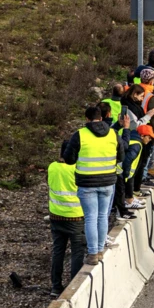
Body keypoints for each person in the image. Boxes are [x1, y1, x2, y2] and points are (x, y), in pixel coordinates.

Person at [61, 107, 118, 264]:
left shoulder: (80, 135)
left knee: (91, 218)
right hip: (108, 182)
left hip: (87, 183)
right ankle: (100, 250)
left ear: (86, 119)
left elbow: (69, 159)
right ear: (101, 118)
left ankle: (92, 254)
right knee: (102, 216)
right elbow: (121, 155)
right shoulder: (113, 134)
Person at [48, 143, 86, 294]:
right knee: (77, 251)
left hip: (55, 215)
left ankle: (55, 287)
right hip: (75, 217)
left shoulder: (52, 167)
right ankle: (73, 288)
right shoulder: (77, 169)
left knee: (58, 251)